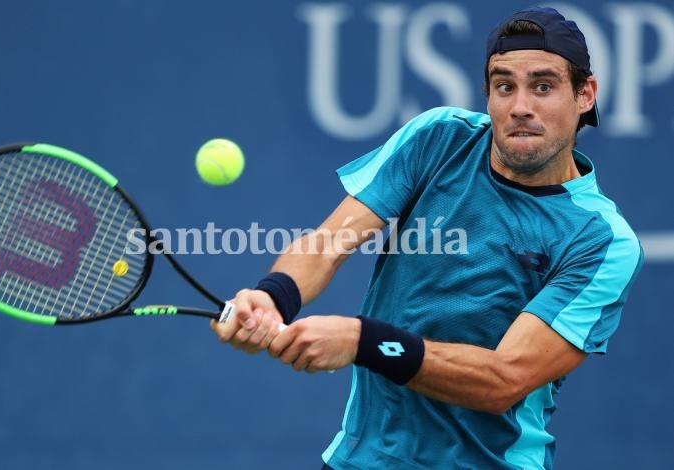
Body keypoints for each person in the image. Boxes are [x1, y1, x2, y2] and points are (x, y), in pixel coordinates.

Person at [211, 7, 643, 470]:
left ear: (585, 94)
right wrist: (275, 296)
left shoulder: (602, 241)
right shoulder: (438, 138)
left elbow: (504, 379)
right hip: (362, 460)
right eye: (504, 86)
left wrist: (363, 340)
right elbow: (327, 244)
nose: (520, 106)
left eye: (543, 86)